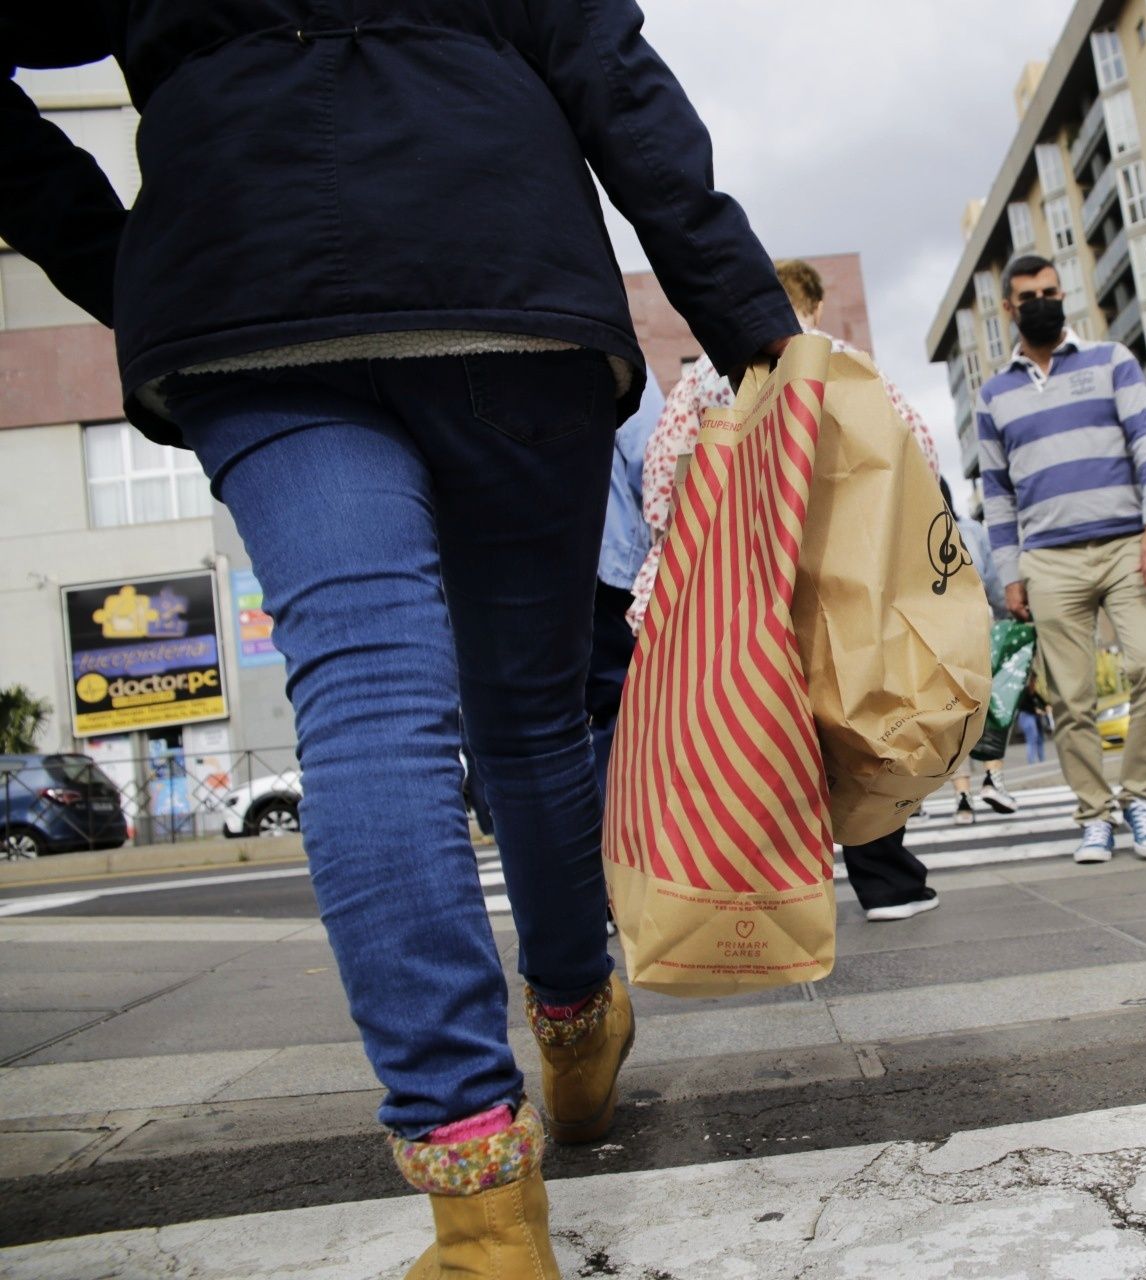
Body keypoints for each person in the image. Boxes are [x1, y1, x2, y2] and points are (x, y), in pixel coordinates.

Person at [4, 4, 801, 1271]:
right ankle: (578, 1026)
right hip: (503, 275)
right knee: (531, 715)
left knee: (366, 696)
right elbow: (606, 67)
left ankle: (482, 1212)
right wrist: (753, 324)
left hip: (251, 286)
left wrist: (125, 253)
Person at [630, 259, 945, 922]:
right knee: (858, 721)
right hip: (841, 580)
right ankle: (887, 882)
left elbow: (661, 493)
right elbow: (917, 457)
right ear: (814, 307)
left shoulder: (702, 379)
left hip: (736, 587)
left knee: (748, 733)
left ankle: (760, 894)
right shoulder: (845, 362)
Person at [978, 254, 1146, 865]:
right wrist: (1010, 574)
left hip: (1127, 545)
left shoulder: (1112, 361)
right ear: (1009, 309)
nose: (1043, 301)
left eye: (1051, 291)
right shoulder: (994, 395)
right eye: (1029, 295)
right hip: (1047, 560)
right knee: (1070, 698)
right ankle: (1094, 814)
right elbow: (996, 493)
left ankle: (1140, 797)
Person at [589, 381, 667, 796]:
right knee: (626, 703)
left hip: (516, 572)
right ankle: (632, 843)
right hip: (610, 564)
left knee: (547, 725)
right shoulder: (600, 331)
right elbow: (653, 456)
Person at [940, 475, 1019, 826]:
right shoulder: (971, 530)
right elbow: (994, 584)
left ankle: (962, 798)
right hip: (978, 625)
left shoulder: (910, 531)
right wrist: (1008, 617)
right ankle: (993, 779)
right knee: (990, 704)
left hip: (937, 633)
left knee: (951, 715)